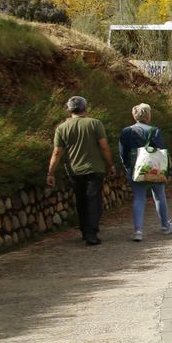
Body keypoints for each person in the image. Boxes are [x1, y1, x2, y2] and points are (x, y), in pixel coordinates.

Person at [46, 95, 115, 245]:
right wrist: (110, 164)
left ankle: (85, 231)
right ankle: (91, 233)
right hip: (94, 169)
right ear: (85, 108)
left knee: (81, 200)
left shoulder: (62, 128)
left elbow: (57, 152)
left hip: (74, 171)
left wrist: (50, 173)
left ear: (69, 110)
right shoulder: (95, 124)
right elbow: (104, 146)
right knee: (93, 200)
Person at [118, 103, 172, 241]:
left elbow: (122, 152)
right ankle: (165, 226)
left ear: (135, 115)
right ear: (148, 115)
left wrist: (127, 166)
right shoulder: (155, 130)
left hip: (135, 169)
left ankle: (138, 231)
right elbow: (161, 149)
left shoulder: (126, 131)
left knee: (139, 198)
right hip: (154, 169)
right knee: (159, 196)